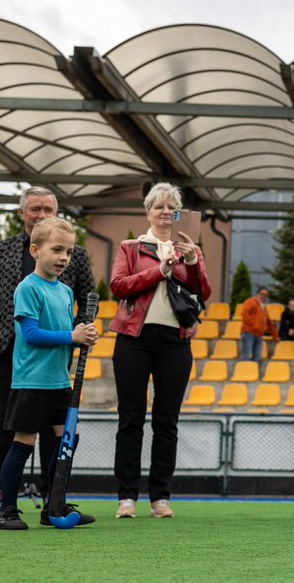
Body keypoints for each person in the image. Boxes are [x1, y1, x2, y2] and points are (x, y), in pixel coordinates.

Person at [0, 186, 94, 515]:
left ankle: (53, 503)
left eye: (67, 253)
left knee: (63, 438)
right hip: (24, 369)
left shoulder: (67, 285)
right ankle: (5, 506)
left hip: (57, 374)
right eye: (57, 251)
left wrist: (83, 333)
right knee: (17, 435)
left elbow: (86, 300)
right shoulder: (18, 274)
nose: (64, 258)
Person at [110, 182, 211, 519]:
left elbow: (204, 292)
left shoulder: (188, 248)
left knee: (166, 421)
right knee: (131, 419)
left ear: (178, 214)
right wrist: (160, 270)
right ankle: (126, 497)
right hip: (133, 340)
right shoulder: (130, 247)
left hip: (176, 342)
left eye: (172, 208)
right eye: (159, 207)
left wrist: (193, 261)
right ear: (148, 211)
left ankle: (160, 497)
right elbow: (119, 286)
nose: (166, 212)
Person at [239, 287, 277, 361]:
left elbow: (269, 323)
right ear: (257, 294)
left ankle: (254, 372)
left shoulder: (264, 307)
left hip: (259, 334)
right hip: (249, 333)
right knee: (246, 355)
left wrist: (275, 336)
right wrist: (254, 324)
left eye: (266, 295)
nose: (264, 296)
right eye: (262, 294)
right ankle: (243, 372)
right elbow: (244, 313)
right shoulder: (250, 302)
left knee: (257, 357)